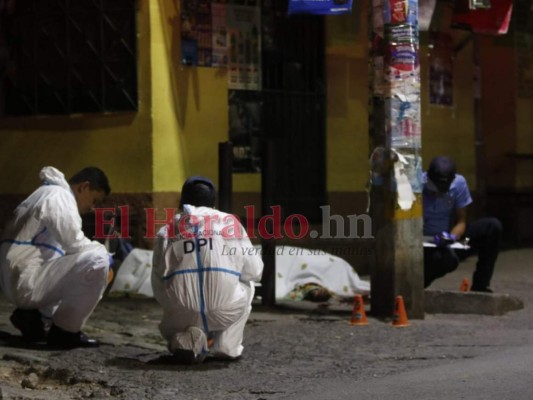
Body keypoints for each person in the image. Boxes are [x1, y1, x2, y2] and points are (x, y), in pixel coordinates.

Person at [151, 176, 263, 364]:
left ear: (182, 202)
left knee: (171, 284)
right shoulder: (230, 223)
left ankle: (187, 340)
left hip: (180, 312)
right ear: (213, 203)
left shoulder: (167, 230)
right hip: (225, 311)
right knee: (248, 282)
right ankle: (227, 345)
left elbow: (157, 280)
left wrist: (173, 304)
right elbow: (255, 271)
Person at [0, 166, 112, 348]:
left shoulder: (45, 193)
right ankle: (65, 332)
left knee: (75, 261)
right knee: (97, 259)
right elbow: (74, 242)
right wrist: (107, 256)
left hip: (17, 278)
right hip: (24, 281)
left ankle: (34, 317)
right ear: (84, 187)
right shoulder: (59, 196)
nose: (93, 208)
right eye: (95, 200)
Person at [423, 156, 503, 292]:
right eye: (434, 190)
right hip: (425, 246)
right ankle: (416, 285)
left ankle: (480, 286)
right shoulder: (416, 184)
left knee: (492, 227)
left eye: (441, 191)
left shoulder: (459, 184)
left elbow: (461, 221)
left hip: (449, 241)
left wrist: (450, 237)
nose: (437, 194)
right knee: (447, 260)